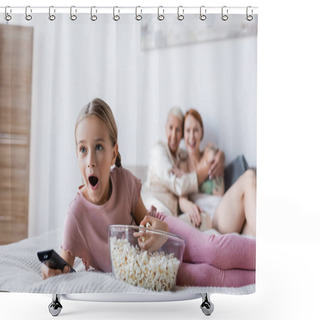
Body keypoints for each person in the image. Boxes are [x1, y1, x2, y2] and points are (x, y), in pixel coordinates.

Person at [41, 98, 255, 288]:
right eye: (83, 150)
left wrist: (159, 228)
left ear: (113, 152)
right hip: (148, 266)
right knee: (204, 275)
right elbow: (63, 264)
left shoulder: (123, 180)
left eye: (98, 147)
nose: (91, 162)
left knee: (212, 250)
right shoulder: (76, 214)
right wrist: (50, 269)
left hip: (163, 231)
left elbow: (150, 220)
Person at [178, 109, 256, 237]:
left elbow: (216, 157)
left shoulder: (210, 152)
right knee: (248, 177)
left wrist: (220, 155)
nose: (191, 136)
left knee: (253, 231)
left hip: (227, 212)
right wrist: (188, 206)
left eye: (196, 130)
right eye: (187, 131)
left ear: (201, 132)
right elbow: (181, 196)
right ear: (183, 134)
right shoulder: (182, 164)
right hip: (212, 219)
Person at [141, 107, 225, 219]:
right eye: (170, 128)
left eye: (178, 130)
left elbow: (199, 154)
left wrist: (221, 156)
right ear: (165, 128)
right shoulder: (159, 151)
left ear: (181, 135)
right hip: (155, 203)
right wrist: (205, 171)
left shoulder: (182, 156)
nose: (174, 135)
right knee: (163, 217)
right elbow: (178, 185)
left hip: (172, 212)